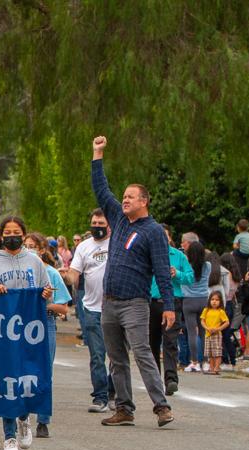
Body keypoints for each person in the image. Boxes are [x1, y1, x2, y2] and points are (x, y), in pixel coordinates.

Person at [90, 136, 174, 428]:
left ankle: (161, 406)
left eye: (130, 196)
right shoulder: (119, 219)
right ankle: (124, 408)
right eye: (123, 196)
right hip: (109, 303)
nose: (124, 199)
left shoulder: (152, 232)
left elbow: (163, 271)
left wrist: (168, 305)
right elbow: (101, 189)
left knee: (142, 353)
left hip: (135, 303)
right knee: (116, 358)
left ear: (144, 201)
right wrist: (97, 155)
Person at [0, 216, 53, 450]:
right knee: (7, 381)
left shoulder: (34, 261)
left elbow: (47, 291)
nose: (11, 235)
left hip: (30, 330)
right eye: (7, 232)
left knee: (27, 378)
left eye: (16, 231)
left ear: (23, 233)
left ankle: (23, 417)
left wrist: (46, 293)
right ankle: (9, 437)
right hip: (3, 331)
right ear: (1, 236)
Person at [24, 233, 72, 438]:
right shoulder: (19, 272)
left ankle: (43, 420)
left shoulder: (51, 273)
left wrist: (43, 305)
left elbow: (64, 308)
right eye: (25, 246)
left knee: (45, 372)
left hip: (46, 323)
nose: (28, 250)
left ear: (42, 250)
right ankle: (22, 415)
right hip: (22, 325)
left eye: (32, 246)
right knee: (22, 370)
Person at [67, 209, 115, 412]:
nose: (96, 226)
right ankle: (100, 397)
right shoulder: (84, 247)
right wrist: (70, 278)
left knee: (116, 355)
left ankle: (115, 393)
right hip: (92, 307)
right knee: (97, 354)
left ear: (109, 225)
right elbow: (74, 271)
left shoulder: (117, 244)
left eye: (100, 223)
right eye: (94, 223)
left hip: (115, 308)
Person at [147, 225, 194, 395]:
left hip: (173, 301)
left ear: (169, 238)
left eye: (164, 236)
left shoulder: (179, 256)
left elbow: (190, 277)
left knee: (170, 342)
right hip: (152, 302)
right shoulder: (147, 254)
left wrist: (178, 274)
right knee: (152, 342)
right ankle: (154, 380)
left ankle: (171, 379)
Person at [181, 239, 212, 372]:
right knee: (204, 332)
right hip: (204, 299)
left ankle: (194, 362)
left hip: (188, 300)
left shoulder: (186, 265)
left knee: (192, 332)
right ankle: (205, 361)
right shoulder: (208, 265)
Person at [200, 291, 229, 375]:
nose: (214, 301)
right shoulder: (206, 310)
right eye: (212, 299)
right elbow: (202, 321)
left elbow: (227, 322)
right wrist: (207, 328)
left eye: (217, 300)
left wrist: (218, 329)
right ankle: (211, 367)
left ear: (220, 302)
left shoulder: (221, 311)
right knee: (210, 353)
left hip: (216, 334)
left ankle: (217, 367)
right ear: (209, 300)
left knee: (217, 352)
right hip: (208, 334)